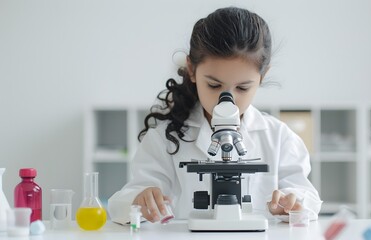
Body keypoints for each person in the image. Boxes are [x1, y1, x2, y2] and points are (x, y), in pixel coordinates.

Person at [108, 6, 322, 224]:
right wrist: (140, 200)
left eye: (242, 88)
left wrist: (294, 204)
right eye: (214, 85)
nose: (226, 100)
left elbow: (308, 199)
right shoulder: (164, 139)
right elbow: (120, 205)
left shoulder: (279, 137)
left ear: (262, 76)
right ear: (192, 70)